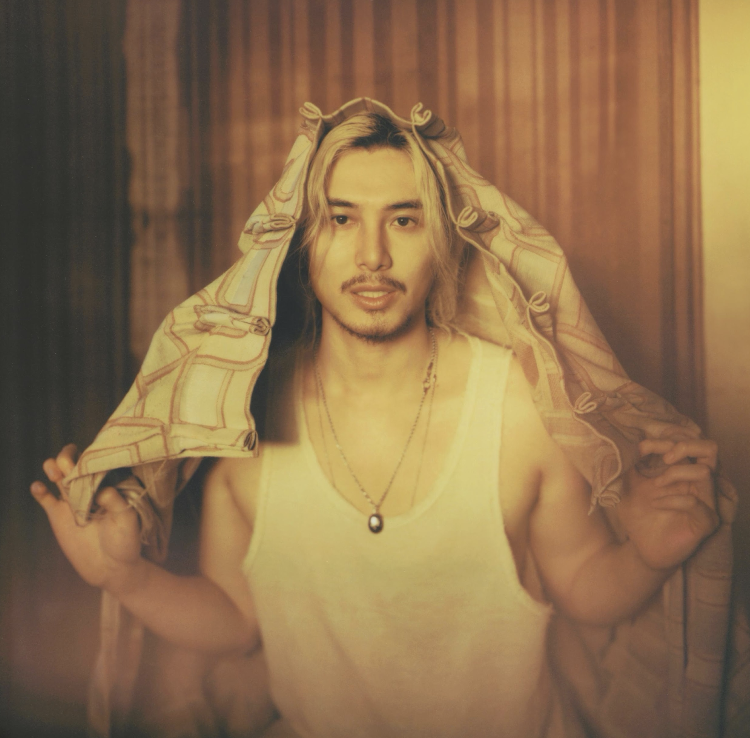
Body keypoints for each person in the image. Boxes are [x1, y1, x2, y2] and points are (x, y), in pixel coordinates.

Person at [31, 105, 723, 737]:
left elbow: (582, 583)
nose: (372, 257)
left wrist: (646, 553)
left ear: (443, 240)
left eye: (404, 219)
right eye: (340, 219)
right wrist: (124, 578)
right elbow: (238, 619)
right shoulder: (245, 418)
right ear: (301, 241)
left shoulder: (516, 402)